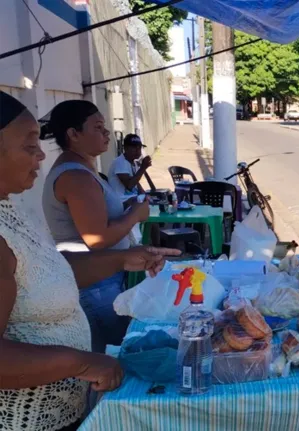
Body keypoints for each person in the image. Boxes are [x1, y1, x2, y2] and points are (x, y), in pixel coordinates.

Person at [0, 91, 178, 431]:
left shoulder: (13, 210)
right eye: (28, 146)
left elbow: (47, 271)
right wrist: (81, 364)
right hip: (28, 421)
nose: (40, 155)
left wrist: (123, 259)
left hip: (62, 410)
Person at [42, 100, 150, 353]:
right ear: (73, 134)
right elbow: (97, 238)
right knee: (116, 354)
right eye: (98, 127)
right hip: (96, 284)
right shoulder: (75, 177)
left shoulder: (82, 171)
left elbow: (97, 220)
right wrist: (135, 214)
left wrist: (125, 209)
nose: (107, 134)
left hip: (102, 276)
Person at [107, 133, 150, 198]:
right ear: (125, 148)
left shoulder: (133, 162)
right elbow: (129, 185)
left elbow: (136, 183)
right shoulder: (120, 162)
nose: (137, 150)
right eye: (134, 147)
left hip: (131, 199)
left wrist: (145, 195)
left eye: (139, 147)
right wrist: (142, 168)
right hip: (120, 201)